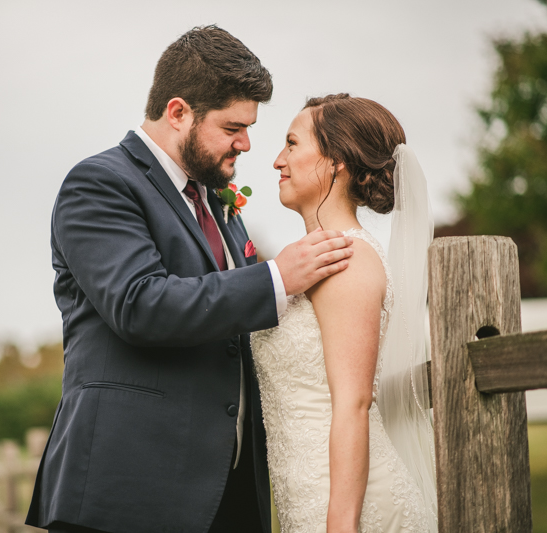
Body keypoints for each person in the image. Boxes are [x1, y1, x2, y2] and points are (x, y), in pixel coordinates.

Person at [25, 27, 354, 533]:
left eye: (249, 127)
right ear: (178, 112)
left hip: (225, 492)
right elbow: (140, 304)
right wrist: (277, 277)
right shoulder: (99, 184)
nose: (246, 144)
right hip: (127, 491)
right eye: (232, 128)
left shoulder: (216, 200)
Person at [251, 94, 438, 532]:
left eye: (292, 144)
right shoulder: (314, 258)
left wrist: (341, 523)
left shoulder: (346, 258)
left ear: (335, 161)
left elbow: (354, 403)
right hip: (306, 493)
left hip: (347, 504)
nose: (278, 160)